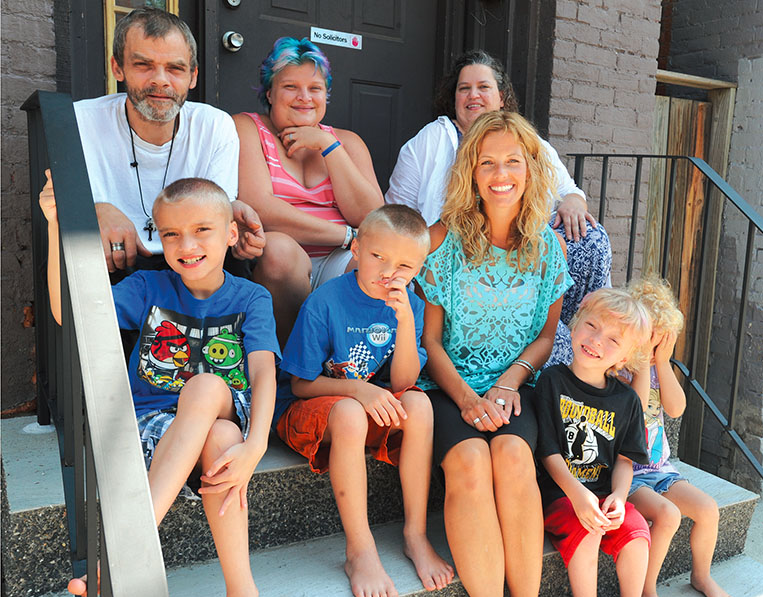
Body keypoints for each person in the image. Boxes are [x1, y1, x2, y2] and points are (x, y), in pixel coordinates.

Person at [40, 176, 280, 597]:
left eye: (201, 229)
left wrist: (259, 443)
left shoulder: (252, 296)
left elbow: (263, 373)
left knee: (209, 390)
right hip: (157, 426)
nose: (185, 244)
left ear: (231, 234)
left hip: (229, 403)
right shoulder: (149, 288)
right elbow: (69, 314)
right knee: (222, 438)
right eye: (170, 233)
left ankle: (124, 553)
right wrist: (57, 227)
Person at [415, 111, 572, 597]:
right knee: (469, 462)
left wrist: (507, 385)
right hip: (448, 387)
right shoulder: (443, 241)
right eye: (487, 163)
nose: (500, 174)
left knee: (511, 458)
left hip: (516, 387)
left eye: (512, 161)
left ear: (531, 167)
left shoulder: (549, 247)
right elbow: (431, 342)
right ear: (471, 172)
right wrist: (467, 398)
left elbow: (547, 336)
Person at [273, 204, 454, 597]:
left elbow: (405, 383)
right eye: (379, 257)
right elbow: (300, 384)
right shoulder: (326, 301)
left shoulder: (410, 304)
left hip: (362, 406)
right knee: (353, 412)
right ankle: (360, 548)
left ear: (420, 267)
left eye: (406, 265)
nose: (391, 272)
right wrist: (359, 391)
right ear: (356, 249)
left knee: (420, 406)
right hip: (308, 414)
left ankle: (415, 533)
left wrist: (406, 323)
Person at [387, 50, 612, 364]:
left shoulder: (526, 139)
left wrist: (573, 202)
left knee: (592, 238)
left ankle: (592, 336)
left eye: (483, 87)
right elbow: (396, 213)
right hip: (453, 255)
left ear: (502, 97)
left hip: (518, 255)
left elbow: (569, 191)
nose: (473, 95)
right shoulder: (431, 140)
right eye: (464, 88)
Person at [47, 7, 264, 278]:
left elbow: (213, 213)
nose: (160, 80)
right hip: (114, 261)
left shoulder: (215, 126)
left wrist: (229, 209)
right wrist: (96, 208)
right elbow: (57, 197)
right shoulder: (80, 121)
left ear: (193, 76)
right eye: (143, 65)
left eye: (175, 68)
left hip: (193, 260)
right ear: (118, 68)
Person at [235, 37, 384, 344]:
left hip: (338, 261)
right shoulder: (247, 128)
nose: (304, 97)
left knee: (374, 261)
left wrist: (329, 147)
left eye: (315, 88)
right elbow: (261, 209)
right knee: (279, 251)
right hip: (279, 265)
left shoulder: (347, 142)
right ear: (269, 93)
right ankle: (288, 369)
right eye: (290, 87)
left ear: (326, 96)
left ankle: (342, 367)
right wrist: (346, 236)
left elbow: (372, 218)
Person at [534, 287, 652, 597]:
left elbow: (626, 459)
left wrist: (619, 495)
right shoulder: (551, 381)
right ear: (575, 324)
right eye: (592, 326)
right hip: (560, 496)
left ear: (624, 358)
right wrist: (577, 494)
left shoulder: (627, 400)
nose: (597, 340)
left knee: (636, 529)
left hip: (603, 493)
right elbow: (548, 450)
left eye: (614, 340)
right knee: (587, 529)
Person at [621, 277, 735, 597]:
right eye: (651, 337)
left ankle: (701, 576)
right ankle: (647, 593)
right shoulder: (620, 368)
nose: (656, 345)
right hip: (629, 474)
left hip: (661, 470)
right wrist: (642, 360)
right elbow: (638, 412)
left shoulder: (658, 368)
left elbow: (676, 409)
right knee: (668, 516)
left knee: (708, 509)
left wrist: (661, 362)